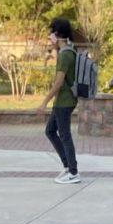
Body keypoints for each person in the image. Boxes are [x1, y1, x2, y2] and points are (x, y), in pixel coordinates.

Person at [37, 17, 81, 184]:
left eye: (51, 36)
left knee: (64, 135)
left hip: (64, 101)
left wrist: (44, 102)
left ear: (57, 35)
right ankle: (68, 166)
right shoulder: (68, 51)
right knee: (50, 131)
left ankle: (74, 172)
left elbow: (59, 82)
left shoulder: (65, 55)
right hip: (62, 101)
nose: (50, 40)